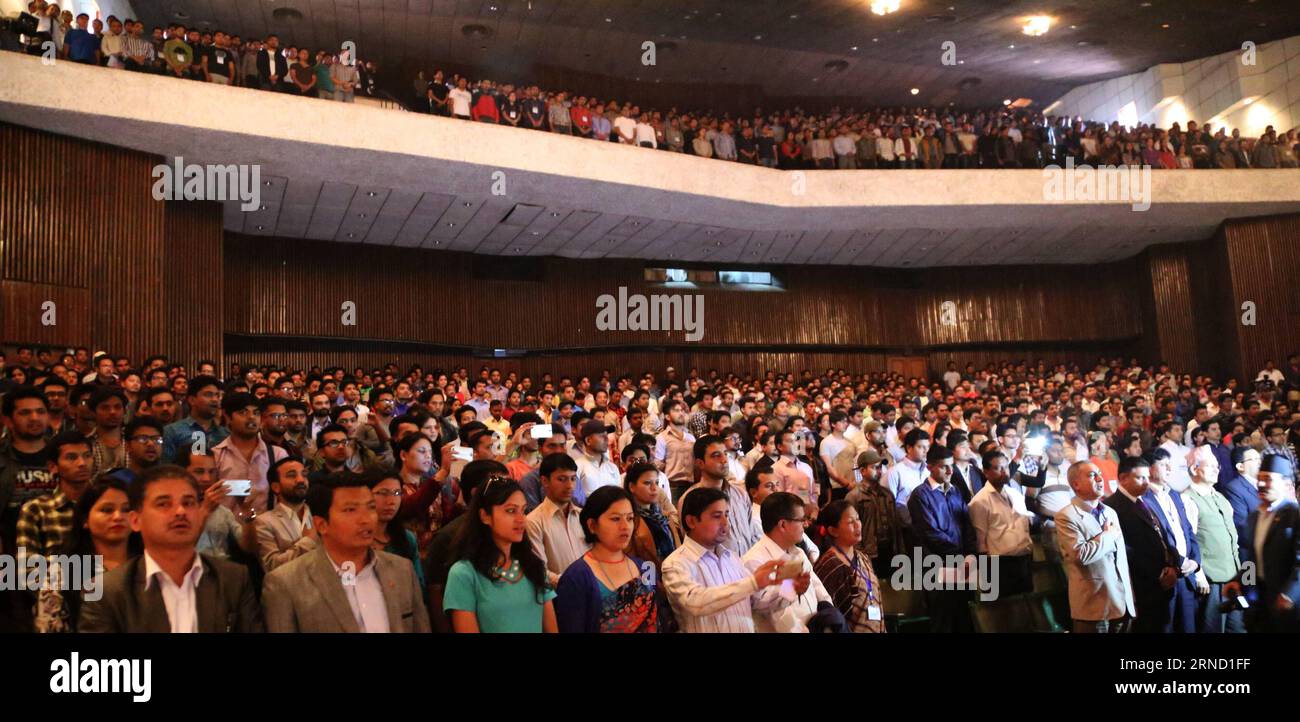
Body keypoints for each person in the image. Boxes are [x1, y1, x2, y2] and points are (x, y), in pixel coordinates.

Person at [79, 465, 264, 633]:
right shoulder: (107, 590)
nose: (180, 511)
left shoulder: (233, 578)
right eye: (164, 504)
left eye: (189, 503)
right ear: (135, 520)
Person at [263, 472, 430, 633]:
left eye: (371, 507)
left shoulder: (402, 569)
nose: (365, 519)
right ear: (321, 525)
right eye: (350, 510)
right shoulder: (286, 583)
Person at [661, 486, 783, 633]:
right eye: (717, 516)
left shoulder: (732, 557)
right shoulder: (675, 564)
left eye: (727, 514)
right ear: (692, 521)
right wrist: (753, 583)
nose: (726, 522)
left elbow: (757, 601)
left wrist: (790, 587)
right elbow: (696, 603)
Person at [443, 476, 557, 632]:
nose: (521, 519)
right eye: (511, 511)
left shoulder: (533, 566)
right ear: (485, 516)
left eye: (524, 511)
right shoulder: (464, 573)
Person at [33, 476, 137, 633]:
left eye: (126, 509)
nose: (118, 517)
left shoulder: (148, 563)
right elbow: (48, 626)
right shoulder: (63, 569)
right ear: (85, 520)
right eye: (107, 510)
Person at [554, 486, 658, 633]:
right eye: (615, 519)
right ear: (592, 525)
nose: (625, 526)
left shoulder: (647, 567)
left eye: (629, 518)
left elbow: (654, 621)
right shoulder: (575, 578)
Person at [1055, 460, 1136, 633]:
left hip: (1123, 602)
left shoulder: (1109, 511)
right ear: (1076, 484)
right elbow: (1080, 555)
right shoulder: (1066, 516)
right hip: (1095, 606)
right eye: (1092, 475)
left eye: (1100, 474)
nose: (1100, 479)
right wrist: (1108, 536)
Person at [1224, 454, 1299, 632]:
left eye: (1268, 479)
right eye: (1260, 478)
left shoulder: (1294, 516)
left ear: (1286, 484)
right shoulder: (1255, 517)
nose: (1262, 484)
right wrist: (1240, 582)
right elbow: (1252, 560)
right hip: (1261, 603)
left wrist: (1289, 595)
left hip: (1288, 605)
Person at [907, 444, 976, 632]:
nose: (950, 470)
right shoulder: (920, 495)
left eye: (951, 465)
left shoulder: (955, 491)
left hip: (962, 564)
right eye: (944, 466)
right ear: (929, 466)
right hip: (937, 565)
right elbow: (930, 533)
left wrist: (970, 554)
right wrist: (961, 554)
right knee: (943, 620)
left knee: (965, 616)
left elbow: (967, 524)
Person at [1104, 455, 1177, 633]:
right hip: (1142, 584)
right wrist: (1157, 573)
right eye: (1140, 478)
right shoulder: (1112, 507)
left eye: (1147, 477)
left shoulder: (1146, 501)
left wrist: (1172, 565)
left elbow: (1163, 534)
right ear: (1123, 478)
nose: (1146, 483)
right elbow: (1125, 549)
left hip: (1164, 579)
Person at [742, 492, 833, 632]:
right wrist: (791, 586)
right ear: (783, 524)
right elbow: (772, 610)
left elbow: (817, 587)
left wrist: (829, 612)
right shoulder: (755, 561)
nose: (806, 524)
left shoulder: (798, 552)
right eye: (802, 520)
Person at [1182, 446, 1243, 633]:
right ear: (1194, 469)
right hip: (1211, 581)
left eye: (1217, 466)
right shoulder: (1187, 499)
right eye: (1211, 466)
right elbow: (1187, 542)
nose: (1218, 469)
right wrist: (1199, 574)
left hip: (1232, 577)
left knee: (1237, 628)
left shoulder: (1221, 498)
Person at [1145, 447, 1203, 633]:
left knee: (1189, 627)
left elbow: (1189, 532)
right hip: (1165, 577)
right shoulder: (1142, 499)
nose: (1169, 468)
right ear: (1149, 469)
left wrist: (1195, 562)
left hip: (1187, 576)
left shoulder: (1175, 495)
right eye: (1163, 464)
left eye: (1170, 463)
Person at [676, 435, 760, 556]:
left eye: (725, 453)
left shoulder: (740, 493)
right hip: (715, 569)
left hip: (746, 566)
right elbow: (692, 546)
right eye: (716, 455)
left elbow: (752, 533)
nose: (724, 460)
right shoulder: (690, 499)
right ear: (700, 463)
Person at [967, 449, 1034, 597]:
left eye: (1005, 467)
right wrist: (986, 576)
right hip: (1000, 563)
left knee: (1027, 607)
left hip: (1023, 557)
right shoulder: (980, 501)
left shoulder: (1015, 494)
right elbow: (981, 542)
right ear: (986, 472)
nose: (1004, 472)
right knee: (1005, 610)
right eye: (997, 468)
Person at [813, 499, 886, 633]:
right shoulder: (830, 565)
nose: (858, 525)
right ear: (833, 531)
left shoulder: (863, 557)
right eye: (851, 522)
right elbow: (831, 616)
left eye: (858, 519)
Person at [525, 453, 590, 586]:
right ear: (544, 481)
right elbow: (540, 570)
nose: (569, 486)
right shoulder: (533, 521)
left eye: (573, 479)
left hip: (591, 589)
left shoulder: (583, 515)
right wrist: (571, 584)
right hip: (558, 596)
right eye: (562, 479)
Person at [845, 449, 904, 576]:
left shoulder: (887, 494)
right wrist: (858, 554)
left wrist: (900, 551)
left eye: (880, 467)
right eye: (874, 467)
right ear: (862, 470)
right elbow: (852, 529)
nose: (879, 471)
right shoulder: (854, 497)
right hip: (869, 551)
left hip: (889, 549)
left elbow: (896, 525)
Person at [254, 457, 317, 572]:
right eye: (292, 475)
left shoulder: (320, 515)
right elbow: (272, 566)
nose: (300, 480)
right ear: (276, 487)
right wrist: (308, 541)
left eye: (304, 474)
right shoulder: (264, 522)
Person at [368, 469, 426, 591]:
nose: (391, 501)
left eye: (397, 493)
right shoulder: (355, 539)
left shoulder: (406, 539)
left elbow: (418, 586)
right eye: (383, 493)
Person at [623, 461, 680, 572]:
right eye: (647, 483)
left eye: (657, 482)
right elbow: (632, 561)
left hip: (673, 574)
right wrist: (653, 583)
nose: (654, 488)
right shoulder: (628, 521)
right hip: (649, 580)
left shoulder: (663, 516)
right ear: (632, 487)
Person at [1217, 446, 1261, 562]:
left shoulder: (1263, 484)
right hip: (1251, 554)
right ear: (1240, 466)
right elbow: (1242, 526)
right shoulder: (1234, 489)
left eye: (1260, 458)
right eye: (1254, 459)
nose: (1260, 462)